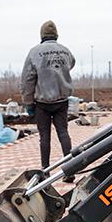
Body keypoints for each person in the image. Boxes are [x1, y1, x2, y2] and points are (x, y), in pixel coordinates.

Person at [21, 20, 76, 168]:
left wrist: (28, 102)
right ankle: (70, 169)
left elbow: (28, 79)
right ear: (56, 35)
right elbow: (71, 64)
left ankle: (45, 171)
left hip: (42, 103)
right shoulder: (65, 51)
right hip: (61, 101)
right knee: (63, 133)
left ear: (42, 35)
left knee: (44, 137)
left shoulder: (34, 52)